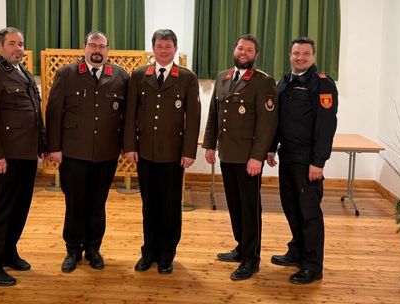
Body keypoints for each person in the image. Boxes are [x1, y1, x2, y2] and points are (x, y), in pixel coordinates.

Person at [45, 31, 129, 273]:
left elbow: (127, 115)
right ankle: (72, 250)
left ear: (108, 50)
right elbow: (54, 112)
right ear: (84, 48)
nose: (97, 50)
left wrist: (125, 145)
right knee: (74, 203)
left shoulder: (120, 77)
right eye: (93, 45)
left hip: (106, 153)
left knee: (97, 203)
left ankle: (93, 248)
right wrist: (54, 147)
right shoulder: (67, 74)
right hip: (73, 152)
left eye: (102, 46)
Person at [0, 27, 46, 287]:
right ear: (0, 46)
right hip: (4, 157)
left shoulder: (21, 71)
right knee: (0, 210)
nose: (18, 48)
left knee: (19, 208)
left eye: (21, 43)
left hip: (25, 154)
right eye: (12, 44)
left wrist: (42, 145)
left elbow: (35, 113)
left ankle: (8, 252)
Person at [123, 29, 201, 275]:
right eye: (159, 45)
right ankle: (149, 252)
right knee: (149, 205)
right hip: (145, 153)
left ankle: (167, 254)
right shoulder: (138, 75)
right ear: (153, 48)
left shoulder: (187, 78)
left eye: (168, 46)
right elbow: (130, 115)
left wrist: (189, 151)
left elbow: (194, 118)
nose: (164, 50)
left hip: (173, 154)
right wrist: (130, 146)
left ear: (175, 49)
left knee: (170, 206)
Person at [203, 34, 277, 281]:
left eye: (249, 50)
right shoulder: (223, 77)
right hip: (227, 154)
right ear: (234, 49)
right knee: (234, 205)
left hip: (248, 159)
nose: (243, 52)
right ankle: (240, 246)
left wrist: (257, 157)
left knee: (249, 208)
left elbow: (266, 125)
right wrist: (210, 145)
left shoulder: (262, 82)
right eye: (240, 48)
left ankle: (251, 258)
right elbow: (215, 113)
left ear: (256, 55)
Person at [267, 37, 338, 285]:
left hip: (308, 160)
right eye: (296, 53)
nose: (301, 58)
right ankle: (297, 251)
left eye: (306, 54)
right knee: (291, 208)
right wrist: (271, 148)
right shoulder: (285, 82)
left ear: (313, 56)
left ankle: (312, 265)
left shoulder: (323, 85)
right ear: (290, 55)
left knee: (309, 213)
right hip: (287, 156)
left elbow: (326, 127)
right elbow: (277, 118)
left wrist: (318, 162)